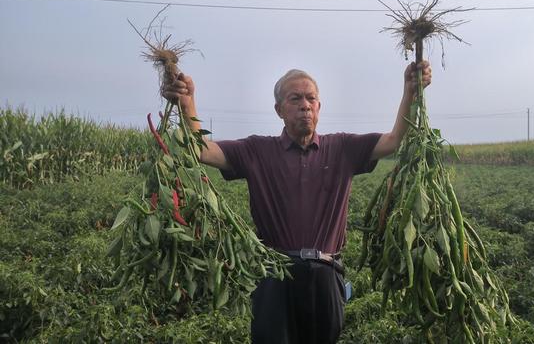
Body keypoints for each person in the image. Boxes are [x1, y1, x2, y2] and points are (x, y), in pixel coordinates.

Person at [162, 61, 431, 344]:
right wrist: (187, 103)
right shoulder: (257, 150)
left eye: (311, 98)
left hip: (326, 274)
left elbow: (393, 141)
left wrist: (410, 91)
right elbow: (201, 150)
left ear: (319, 106)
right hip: (275, 275)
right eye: (295, 98)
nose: (305, 105)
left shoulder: (342, 148)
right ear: (279, 110)